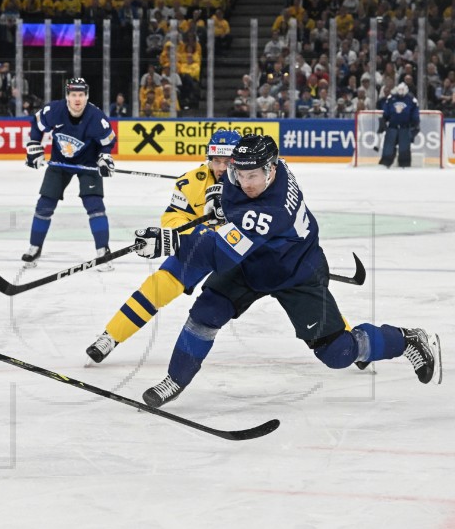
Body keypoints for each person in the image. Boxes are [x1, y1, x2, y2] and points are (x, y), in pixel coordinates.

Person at [132, 134, 441, 408]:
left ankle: (406, 339)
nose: (246, 182)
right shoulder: (251, 169)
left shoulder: (272, 209)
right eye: (240, 174)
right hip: (253, 262)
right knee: (206, 312)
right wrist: (223, 200)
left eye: (253, 175)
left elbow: (219, 254)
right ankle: (175, 378)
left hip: (295, 271)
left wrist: (167, 241)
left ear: (271, 170)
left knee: (337, 352)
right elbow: (231, 192)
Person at [85, 129, 241, 364]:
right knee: (155, 288)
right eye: (216, 161)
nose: (220, 168)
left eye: (227, 162)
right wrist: (194, 232)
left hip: (239, 255)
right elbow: (172, 218)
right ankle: (111, 336)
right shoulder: (190, 182)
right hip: (200, 249)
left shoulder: (252, 182)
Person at [23, 77, 118, 269]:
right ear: (67, 96)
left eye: (81, 95)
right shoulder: (55, 111)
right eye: (73, 95)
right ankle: (34, 248)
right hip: (60, 162)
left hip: (88, 163)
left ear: (86, 96)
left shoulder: (97, 118)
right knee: (44, 205)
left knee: (95, 205)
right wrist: (34, 145)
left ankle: (102, 252)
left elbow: (108, 143)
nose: (77, 99)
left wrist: (104, 158)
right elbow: (37, 124)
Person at [379, 82, 420, 168]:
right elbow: (386, 112)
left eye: (402, 89)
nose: (400, 91)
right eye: (399, 89)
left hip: (405, 127)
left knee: (404, 148)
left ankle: (404, 163)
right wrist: (383, 121)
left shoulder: (411, 99)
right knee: (389, 146)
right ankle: (386, 163)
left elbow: (415, 113)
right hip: (392, 127)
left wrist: (415, 124)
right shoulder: (391, 98)